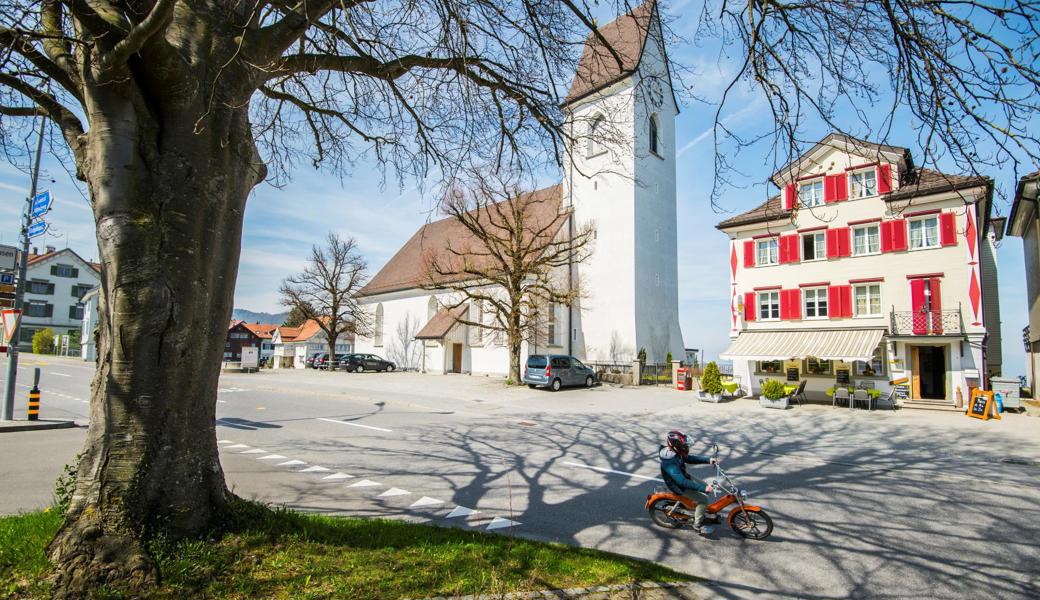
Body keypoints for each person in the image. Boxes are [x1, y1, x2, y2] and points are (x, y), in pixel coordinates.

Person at [659, 430, 718, 532]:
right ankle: (697, 523)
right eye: (683, 444)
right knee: (704, 500)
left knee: (705, 487)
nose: (685, 446)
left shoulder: (675, 452)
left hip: (684, 477)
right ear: (676, 444)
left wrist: (708, 460)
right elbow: (682, 482)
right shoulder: (669, 463)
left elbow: (688, 458)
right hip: (679, 486)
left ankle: (697, 508)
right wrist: (704, 488)